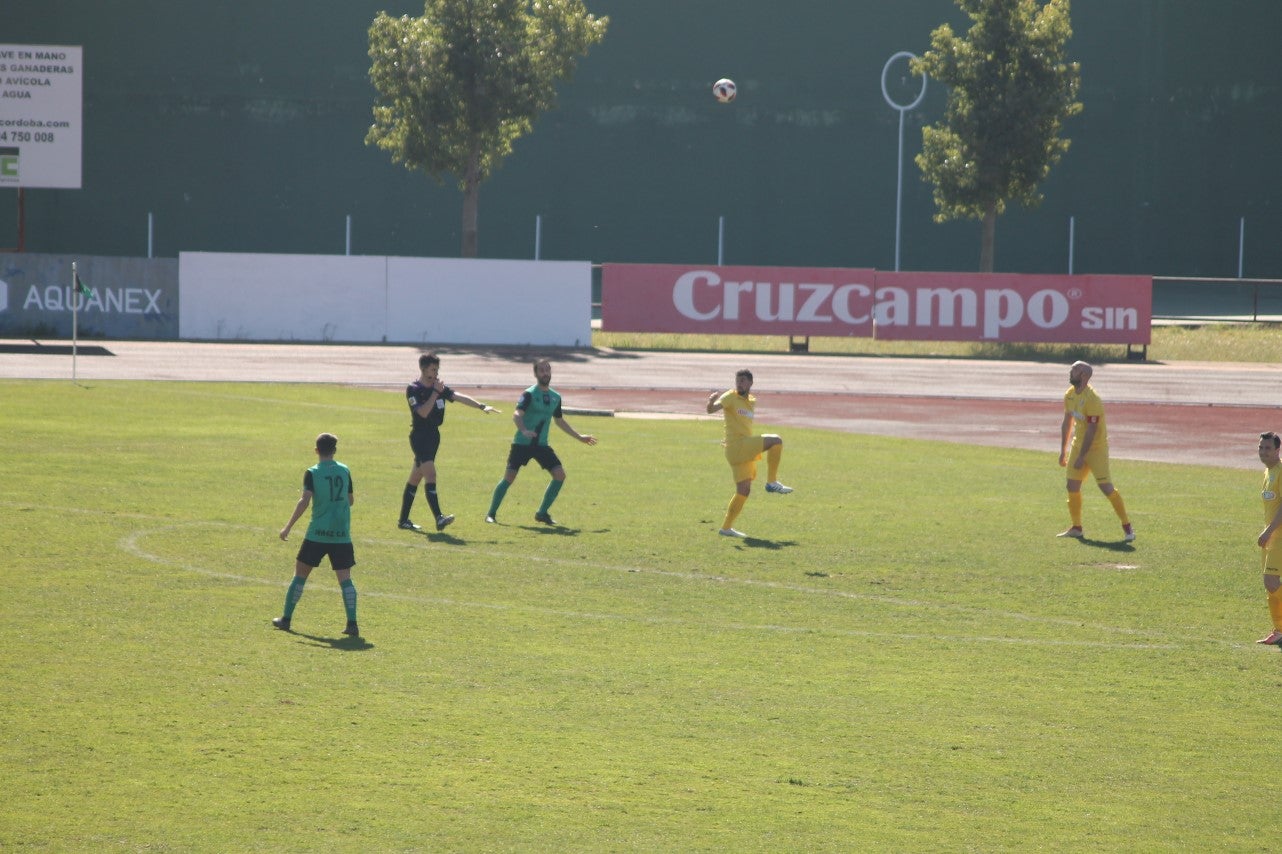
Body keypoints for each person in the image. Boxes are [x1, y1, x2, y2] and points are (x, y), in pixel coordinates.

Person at [485, 358, 597, 526]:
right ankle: (491, 514)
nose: (545, 373)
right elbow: (517, 414)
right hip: (522, 444)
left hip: (541, 445)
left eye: (548, 370)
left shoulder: (555, 397)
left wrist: (580, 437)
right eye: (542, 370)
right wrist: (523, 430)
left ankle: (542, 513)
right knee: (509, 477)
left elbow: (559, 421)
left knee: (560, 475)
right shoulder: (529, 394)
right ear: (536, 374)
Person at [399, 352, 500, 532]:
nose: (436, 373)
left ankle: (403, 520)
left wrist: (481, 406)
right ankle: (439, 518)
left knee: (416, 477)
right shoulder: (414, 388)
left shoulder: (439, 387)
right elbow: (422, 412)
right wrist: (435, 393)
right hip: (420, 436)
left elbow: (458, 396)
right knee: (431, 475)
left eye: (437, 369)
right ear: (423, 369)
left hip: (433, 436)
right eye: (432, 369)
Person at [274, 432, 360, 637]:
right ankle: (353, 624)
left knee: (300, 575)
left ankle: (286, 619)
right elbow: (350, 500)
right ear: (335, 451)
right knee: (345, 579)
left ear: (316, 450)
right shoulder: (344, 470)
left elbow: (304, 501)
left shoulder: (312, 472)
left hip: (317, 534)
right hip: (341, 534)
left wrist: (288, 527)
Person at [706, 369, 792, 538]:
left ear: (751, 383)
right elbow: (711, 410)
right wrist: (710, 402)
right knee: (776, 440)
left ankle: (726, 528)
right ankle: (772, 482)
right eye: (738, 380)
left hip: (740, 449)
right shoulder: (730, 396)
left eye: (743, 381)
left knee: (743, 490)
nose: (739, 383)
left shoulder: (751, 401)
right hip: (737, 446)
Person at [1058, 360, 1134, 542]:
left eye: (1074, 370)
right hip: (1078, 446)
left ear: (1083, 375)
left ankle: (1127, 528)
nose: (1071, 372)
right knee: (1072, 486)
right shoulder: (1069, 395)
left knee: (1105, 487)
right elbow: (1067, 422)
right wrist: (1063, 450)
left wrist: (1082, 457)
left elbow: (1092, 431)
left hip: (1096, 449)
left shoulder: (1093, 399)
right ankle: (1076, 527)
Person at [1255, 431, 1282, 645]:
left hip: (1278, 535)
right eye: (1261, 447)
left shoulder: (1280, 472)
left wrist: (1269, 531)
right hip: (1271, 536)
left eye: (1267, 448)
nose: (1263, 452)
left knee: (1271, 581)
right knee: (1270, 584)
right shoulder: (1267, 472)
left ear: (1277, 450)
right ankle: (1279, 629)